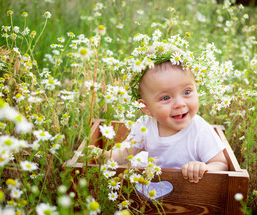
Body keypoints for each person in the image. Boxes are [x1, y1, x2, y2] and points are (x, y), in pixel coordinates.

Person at [92, 34, 229, 183]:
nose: (179, 103)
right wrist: (105, 156)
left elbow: (221, 163)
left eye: (187, 92)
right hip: (153, 191)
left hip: (190, 195)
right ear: (146, 108)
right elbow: (125, 154)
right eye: (165, 98)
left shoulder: (200, 129)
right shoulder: (144, 125)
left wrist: (203, 167)